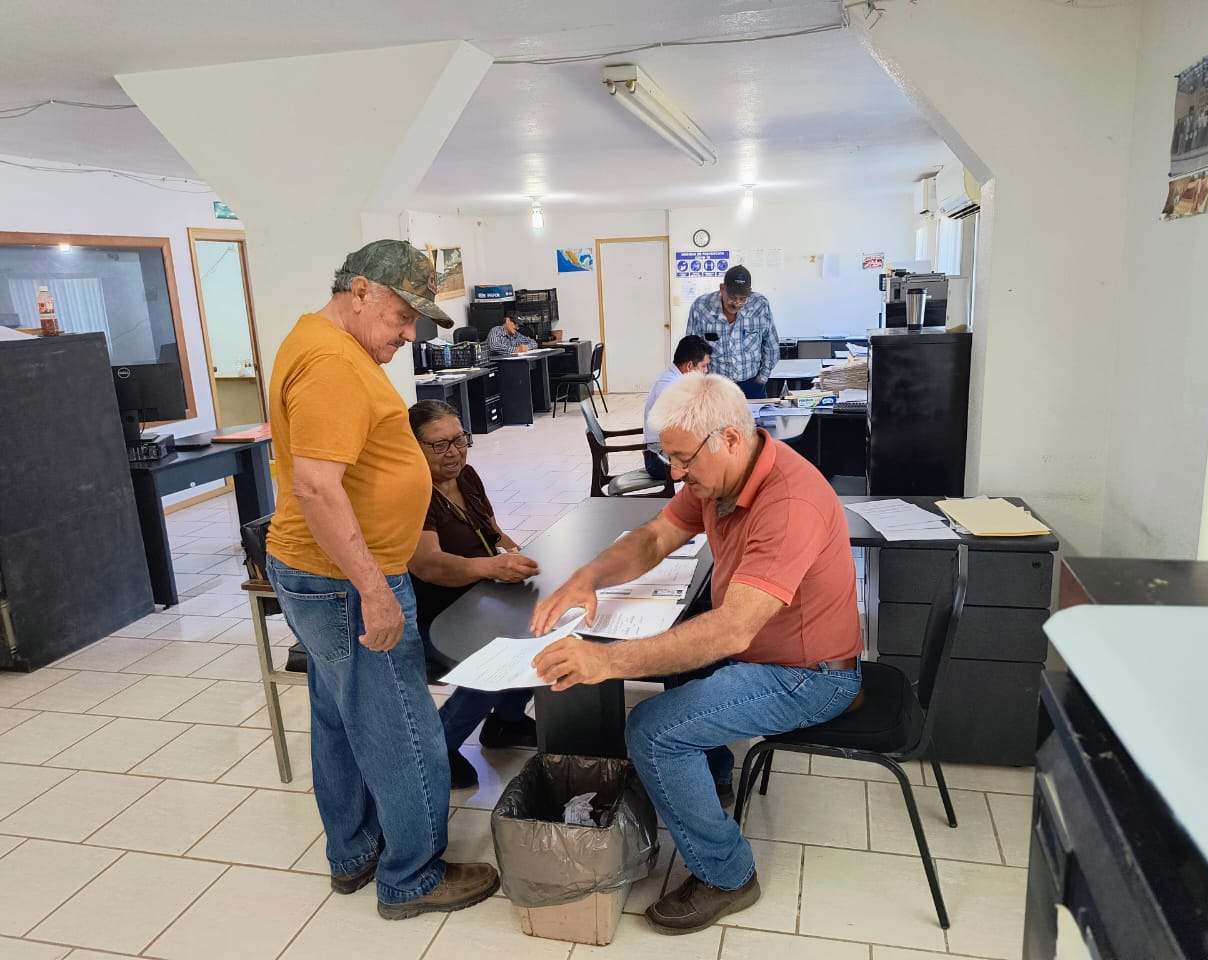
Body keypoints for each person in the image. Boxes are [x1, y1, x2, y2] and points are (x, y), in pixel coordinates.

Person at [529, 373, 863, 935]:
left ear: (730, 438)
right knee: (679, 660)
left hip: (809, 676)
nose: (677, 474)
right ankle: (711, 781)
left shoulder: (788, 502)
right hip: (765, 652)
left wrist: (606, 661)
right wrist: (588, 577)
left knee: (654, 729)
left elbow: (733, 630)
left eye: (683, 459)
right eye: (670, 458)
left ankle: (727, 876)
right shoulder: (723, 477)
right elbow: (655, 538)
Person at [265, 239, 499, 922]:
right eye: (402, 317)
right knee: (404, 728)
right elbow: (315, 484)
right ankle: (412, 876)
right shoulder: (334, 361)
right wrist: (373, 588)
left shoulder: (320, 341)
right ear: (360, 290)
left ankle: (353, 854)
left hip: (319, 572)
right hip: (345, 580)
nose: (408, 334)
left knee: (340, 719)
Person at [406, 400, 541, 789]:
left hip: (479, 597)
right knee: (493, 661)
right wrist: (490, 567)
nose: (455, 452)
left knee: (540, 628)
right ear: (413, 447)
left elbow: (493, 533)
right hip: (437, 613)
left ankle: (507, 721)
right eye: (439, 445)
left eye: (459, 439)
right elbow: (428, 564)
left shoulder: (467, 477)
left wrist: (519, 559)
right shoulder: (415, 492)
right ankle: (440, 747)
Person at [685, 265, 779, 399]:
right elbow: (691, 349)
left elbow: (771, 344)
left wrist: (762, 377)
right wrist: (699, 382)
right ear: (722, 288)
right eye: (732, 297)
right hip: (716, 385)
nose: (736, 303)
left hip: (752, 384)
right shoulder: (701, 307)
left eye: (742, 299)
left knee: (755, 420)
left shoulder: (760, 305)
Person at [642, 334, 713, 481]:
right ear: (689, 366)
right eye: (704, 366)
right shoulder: (669, 385)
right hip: (660, 460)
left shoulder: (675, 378)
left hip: (667, 453)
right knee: (718, 462)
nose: (706, 370)